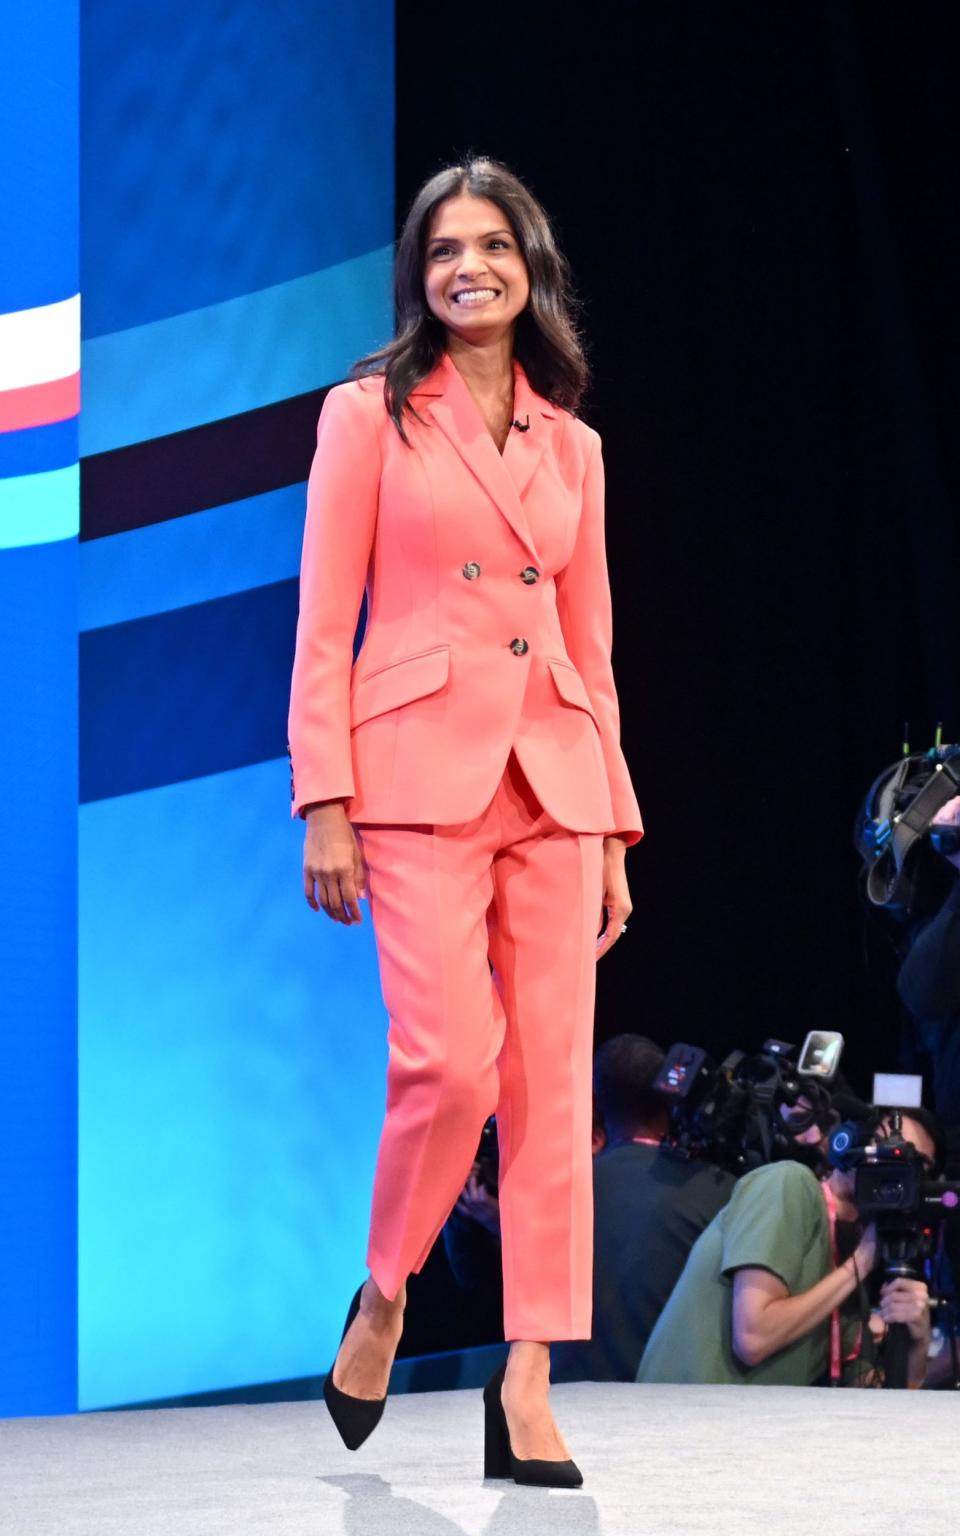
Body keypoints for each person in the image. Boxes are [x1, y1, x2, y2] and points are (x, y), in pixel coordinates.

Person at [287, 157, 642, 1488]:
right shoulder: (364, 419)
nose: (468, 268)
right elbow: (324, 625)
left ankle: (531, 1381)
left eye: (492, 246)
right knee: (451, 1065)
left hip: (554, 783)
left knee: (552, 1090)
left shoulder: (576, 443)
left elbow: (593, 650)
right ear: (419, 275)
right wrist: (323, 793)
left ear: (529, 265)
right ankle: (385, 1292)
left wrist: (612, 827)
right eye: (445, 251)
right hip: (415, 775)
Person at [637, 1108, 940, 1388]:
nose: (900, 1175)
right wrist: (861, 1261)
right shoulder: (789, 1184)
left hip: (743, 1431)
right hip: (681, 1424)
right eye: (893, 1152)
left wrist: (918, 1342)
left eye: (916, 1166)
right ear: (851, 1146)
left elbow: (875, 1400)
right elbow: (754, 1337)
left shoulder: (847, 1269)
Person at [551, 1034, 737, 1382]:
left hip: (562, 1404)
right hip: (666, 1408)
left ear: (595, 1104)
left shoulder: (556, 1188)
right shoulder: (720, 1191)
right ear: (670, 1095)